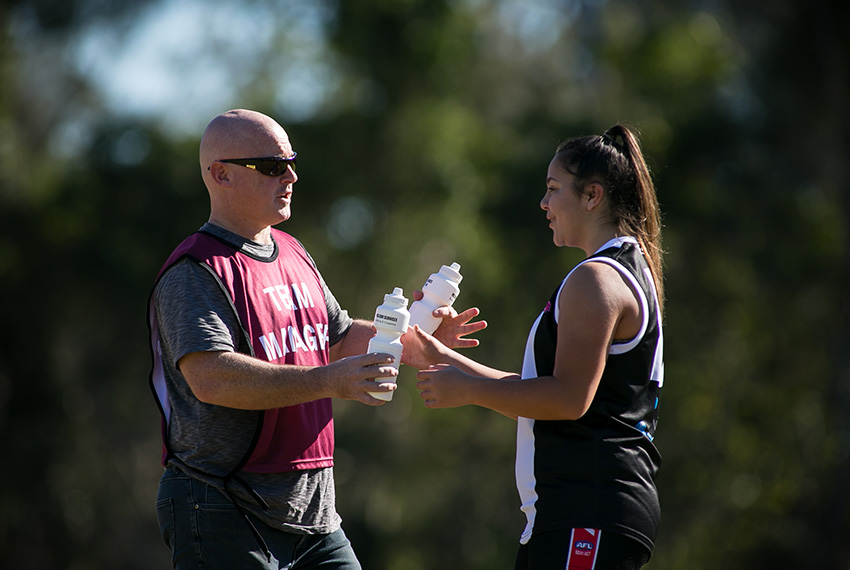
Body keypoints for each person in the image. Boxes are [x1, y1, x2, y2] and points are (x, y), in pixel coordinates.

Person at [146, 109, 485, 570]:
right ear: (221, 175)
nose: (290, 176)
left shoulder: (292, 250)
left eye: (291, 162)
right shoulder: (196, 269)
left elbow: (338, 337)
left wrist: (412, 340)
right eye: (271, 166)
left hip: (313, 511)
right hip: (222, 503)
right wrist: (329, 381)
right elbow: (213, 378)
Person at [405, 125, 664, 570]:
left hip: (589, 510)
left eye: (553, 188)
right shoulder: (617, 270)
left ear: (592, 196)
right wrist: (439, 355)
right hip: (570, 513)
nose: (544, 203)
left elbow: (567, 399)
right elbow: (543, 392)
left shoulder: (596, 279)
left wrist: (467, 390)